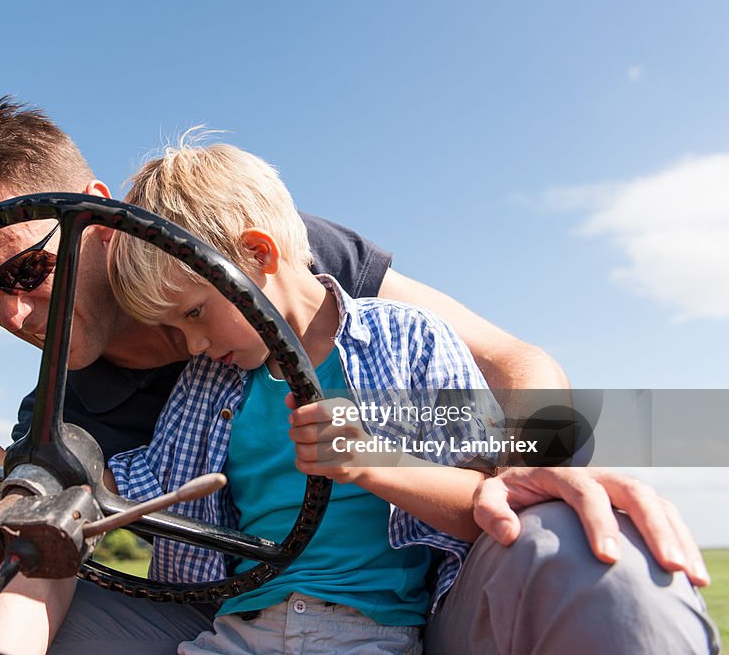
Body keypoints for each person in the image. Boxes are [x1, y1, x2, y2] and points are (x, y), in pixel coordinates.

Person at [0, 99, 715, 654]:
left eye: (26, 273)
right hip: (225, 612)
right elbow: (47, 545)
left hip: (390, 597)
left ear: (93, 214)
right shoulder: (68, 403)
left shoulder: (290, 262)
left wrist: (529, 470)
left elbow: (512, 365)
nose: (10, 315)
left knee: (582, 547)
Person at [99, 139, 505, 654]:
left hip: (365, 633)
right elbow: (149, 483)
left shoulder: (410, 340)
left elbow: (483, 499)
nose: (193, 345)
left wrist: (371, 464)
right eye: (177, 329)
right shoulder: (208, 380)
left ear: (258, 253)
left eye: (195, 313)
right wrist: (16, 465)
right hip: (238, 631)